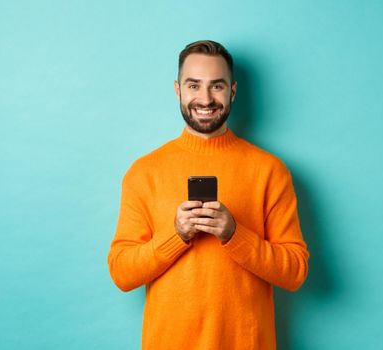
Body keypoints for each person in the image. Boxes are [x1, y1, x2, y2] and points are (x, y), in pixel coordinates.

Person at [107, 40, 309, 350]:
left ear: (233, 91)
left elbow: (295, 271)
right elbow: (122, 273)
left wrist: (234, 234)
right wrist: (176, 235)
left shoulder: (269, 170)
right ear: (178, 90)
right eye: (194, 85)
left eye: (217, 86)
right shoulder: (144, 172)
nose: (205, 98)